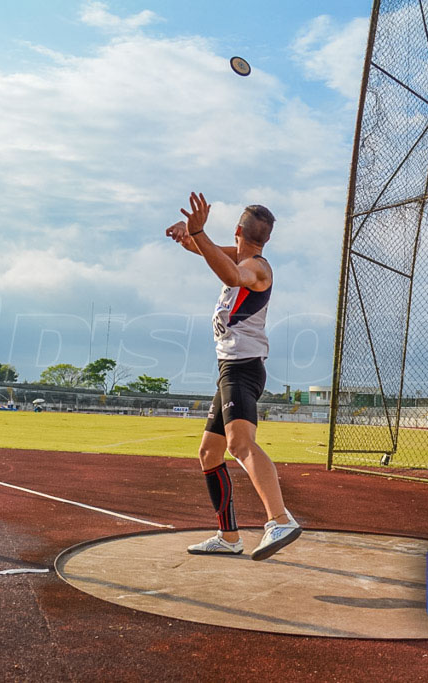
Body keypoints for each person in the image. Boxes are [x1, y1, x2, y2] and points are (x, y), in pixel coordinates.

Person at [166, 192, 301, 561]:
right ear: (266, 235)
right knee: (209, 453)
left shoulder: (257, 267)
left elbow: (230, 273)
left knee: (239, 445)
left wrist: (197, 232)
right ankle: (228, 537)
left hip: (243, 368)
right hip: (230, 368)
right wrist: (187, 236)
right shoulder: (240, 255)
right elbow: (205, 251)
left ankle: (279, 519)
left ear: (238, 230)